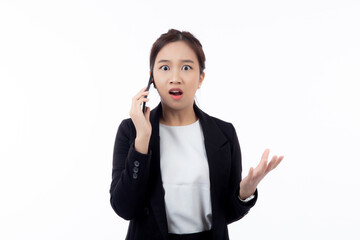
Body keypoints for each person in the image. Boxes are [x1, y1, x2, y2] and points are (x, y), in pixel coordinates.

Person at [109, 29, 284, 240]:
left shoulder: (224, 133)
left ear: (200, 78)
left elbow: (226, 214)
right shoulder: (131, 131)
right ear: (152, 78)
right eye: (164, 67)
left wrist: (244, 193)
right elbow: (125, 208)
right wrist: (142, 140)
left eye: (186, 67)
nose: (175, 78)